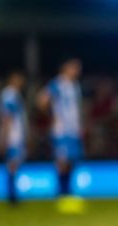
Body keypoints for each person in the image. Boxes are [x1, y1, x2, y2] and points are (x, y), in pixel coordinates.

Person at [38, 58, 86, 214]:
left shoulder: (74, 86)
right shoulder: (57, 84)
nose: (77, 71)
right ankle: (61, 195)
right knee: (62, 161)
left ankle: (68, 194)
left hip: (73, 130)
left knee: (72, 161)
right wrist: (51, 116)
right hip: (61, 130)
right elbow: (42, 100)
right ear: (66, 68)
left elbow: (76, 109)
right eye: (75, 68)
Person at [0, 71, 27, 206]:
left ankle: (13, 195)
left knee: (14, 164)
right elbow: (6, 117)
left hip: (17, 136)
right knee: (12, 165)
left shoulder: (15, 94)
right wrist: (4, 136)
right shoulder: (9, 94)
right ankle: (12, 197)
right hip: (12, 137)